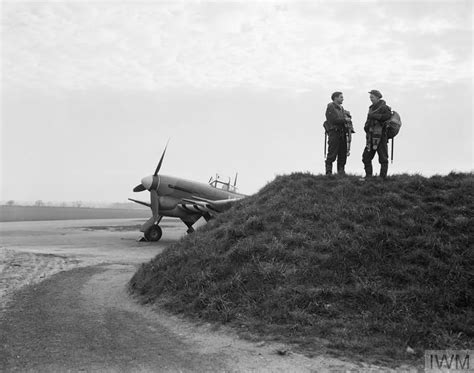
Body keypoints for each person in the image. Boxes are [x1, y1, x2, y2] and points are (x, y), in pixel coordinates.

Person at [362, 90, 392, 178]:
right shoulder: (371, 108)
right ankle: (368, 177)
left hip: (381, 136)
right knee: (366, 157)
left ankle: (382, 178)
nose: (370, 99)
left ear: (378, 97)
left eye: (372, 97)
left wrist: (374, 116)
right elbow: (368, 121)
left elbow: (387, 117)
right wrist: (366, 127)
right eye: (370, 97)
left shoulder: (385, 107)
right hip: (370, 136)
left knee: (383, 158)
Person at [324, 92, 352, 175]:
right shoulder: (330, 107)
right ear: (335, 98)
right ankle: (329, 173)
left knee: (342, 154)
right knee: (332, 153)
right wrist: (345, 120)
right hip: (334, 133)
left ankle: (341, 172)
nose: (342, 99)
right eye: (341, 97)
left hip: (342, 133)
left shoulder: (342, 109)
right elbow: (332, 120)